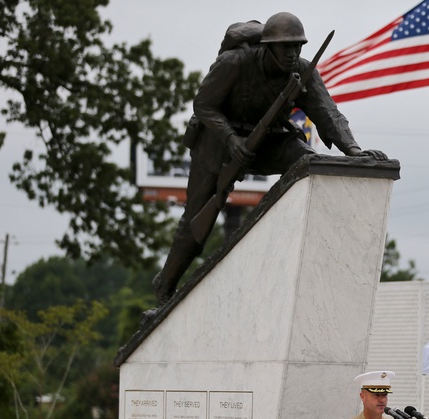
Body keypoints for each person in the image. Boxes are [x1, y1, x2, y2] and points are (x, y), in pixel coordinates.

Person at [152, 11, 387, 306]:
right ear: (268, 46)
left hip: (268, 139)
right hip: (218, 140)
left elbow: (328, 114)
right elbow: (204, 105)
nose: (292, 54)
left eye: (297, 46)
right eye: (285, 46)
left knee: (308, 162)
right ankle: (165, 286)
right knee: (197, 218)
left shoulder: (302, 71)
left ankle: (287, 233)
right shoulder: (235, 63)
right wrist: (230, 139)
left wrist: (353, 150)